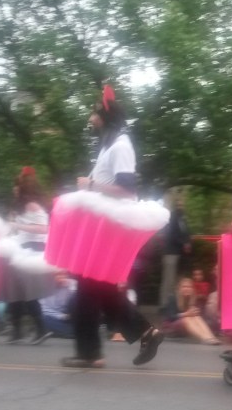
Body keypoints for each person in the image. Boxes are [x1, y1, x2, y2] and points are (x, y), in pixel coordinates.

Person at [60, 86, 165, 368]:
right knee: (97, 288)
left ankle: (90, 352)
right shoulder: (109, 145)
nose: (90, 118)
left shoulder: (121, 145)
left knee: (88, 286)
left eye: (94, 113)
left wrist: (90, 185)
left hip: (107, 227)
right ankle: (142, 334)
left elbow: (127, 190)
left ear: (105, 115)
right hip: (99, 224)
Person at [4, 167, 52, 345]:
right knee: (15, 290)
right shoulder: (20, 206)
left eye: (16, 186)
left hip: (31, 249)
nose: (13, 189)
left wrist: (18, 226)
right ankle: (17, 330)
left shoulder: (32, 205)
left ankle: (40, 329)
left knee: (27, 291)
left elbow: (42, 228)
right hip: (21, 247)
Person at [158, 187, 192, 312]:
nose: (180, 205)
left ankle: (175, 305)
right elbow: (171, 235)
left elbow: (186, 234)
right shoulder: (172, 217)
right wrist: (184, 243)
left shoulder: (183, 219)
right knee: (169, 280)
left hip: (180, 254)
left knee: (177, 281)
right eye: (178, 203)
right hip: (171, 252)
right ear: (175, 205)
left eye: (182, 203)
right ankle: (164, 305)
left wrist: (188, 242)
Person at [160, 278, 220, 345]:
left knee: (196, 317)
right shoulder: (172, 298)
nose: (186, 289)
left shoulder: (193, 299)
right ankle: (205, 338)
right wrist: (186, 314)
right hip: (170, 328)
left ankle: (210, 337)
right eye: (184, 286)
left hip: (183, 328)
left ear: (192, 289)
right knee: (187, 318)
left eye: (189, 287)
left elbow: (199, 317)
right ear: (179, 288)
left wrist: (196, 312)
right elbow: (170, 317)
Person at [39, 273, 77, 338]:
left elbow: (78, 299)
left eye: (63, 275)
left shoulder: (72, 284)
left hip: (70, 312)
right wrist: (62, 316)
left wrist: (72, 290)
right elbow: (43, 308)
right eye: (58, 275)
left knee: (76, 298)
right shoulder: (43, 288)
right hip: (54, 315)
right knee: (43, 318)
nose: (62, 278)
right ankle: (68, 331)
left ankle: (61, 331)